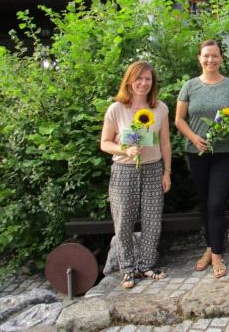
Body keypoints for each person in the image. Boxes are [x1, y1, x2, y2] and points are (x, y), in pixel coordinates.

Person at [175, 40, 229, 278]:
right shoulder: (189, 86)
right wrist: (194, 138)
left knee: (216, 203)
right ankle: (209, 248)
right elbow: (179, 120)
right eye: (206, 56)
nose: (210, 60)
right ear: (199, 58)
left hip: (224, 154)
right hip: (196, 153)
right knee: (205, 204)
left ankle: (217, 255)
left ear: (221, 59)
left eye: (215, 56)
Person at [100, 60, 172, 289]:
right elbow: (104, 143)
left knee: (152, 220)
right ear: (129, 80)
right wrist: (125, 149)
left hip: (152, 168)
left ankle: (146, 265)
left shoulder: (160, 108)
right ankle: (128, 269)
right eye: (139, 78)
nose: (143, 83)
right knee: (123, 223)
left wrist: (167, 172)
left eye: (148, 79)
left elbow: (166, 143)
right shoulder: (116, 109)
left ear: (153, 83)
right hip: (123, 170)